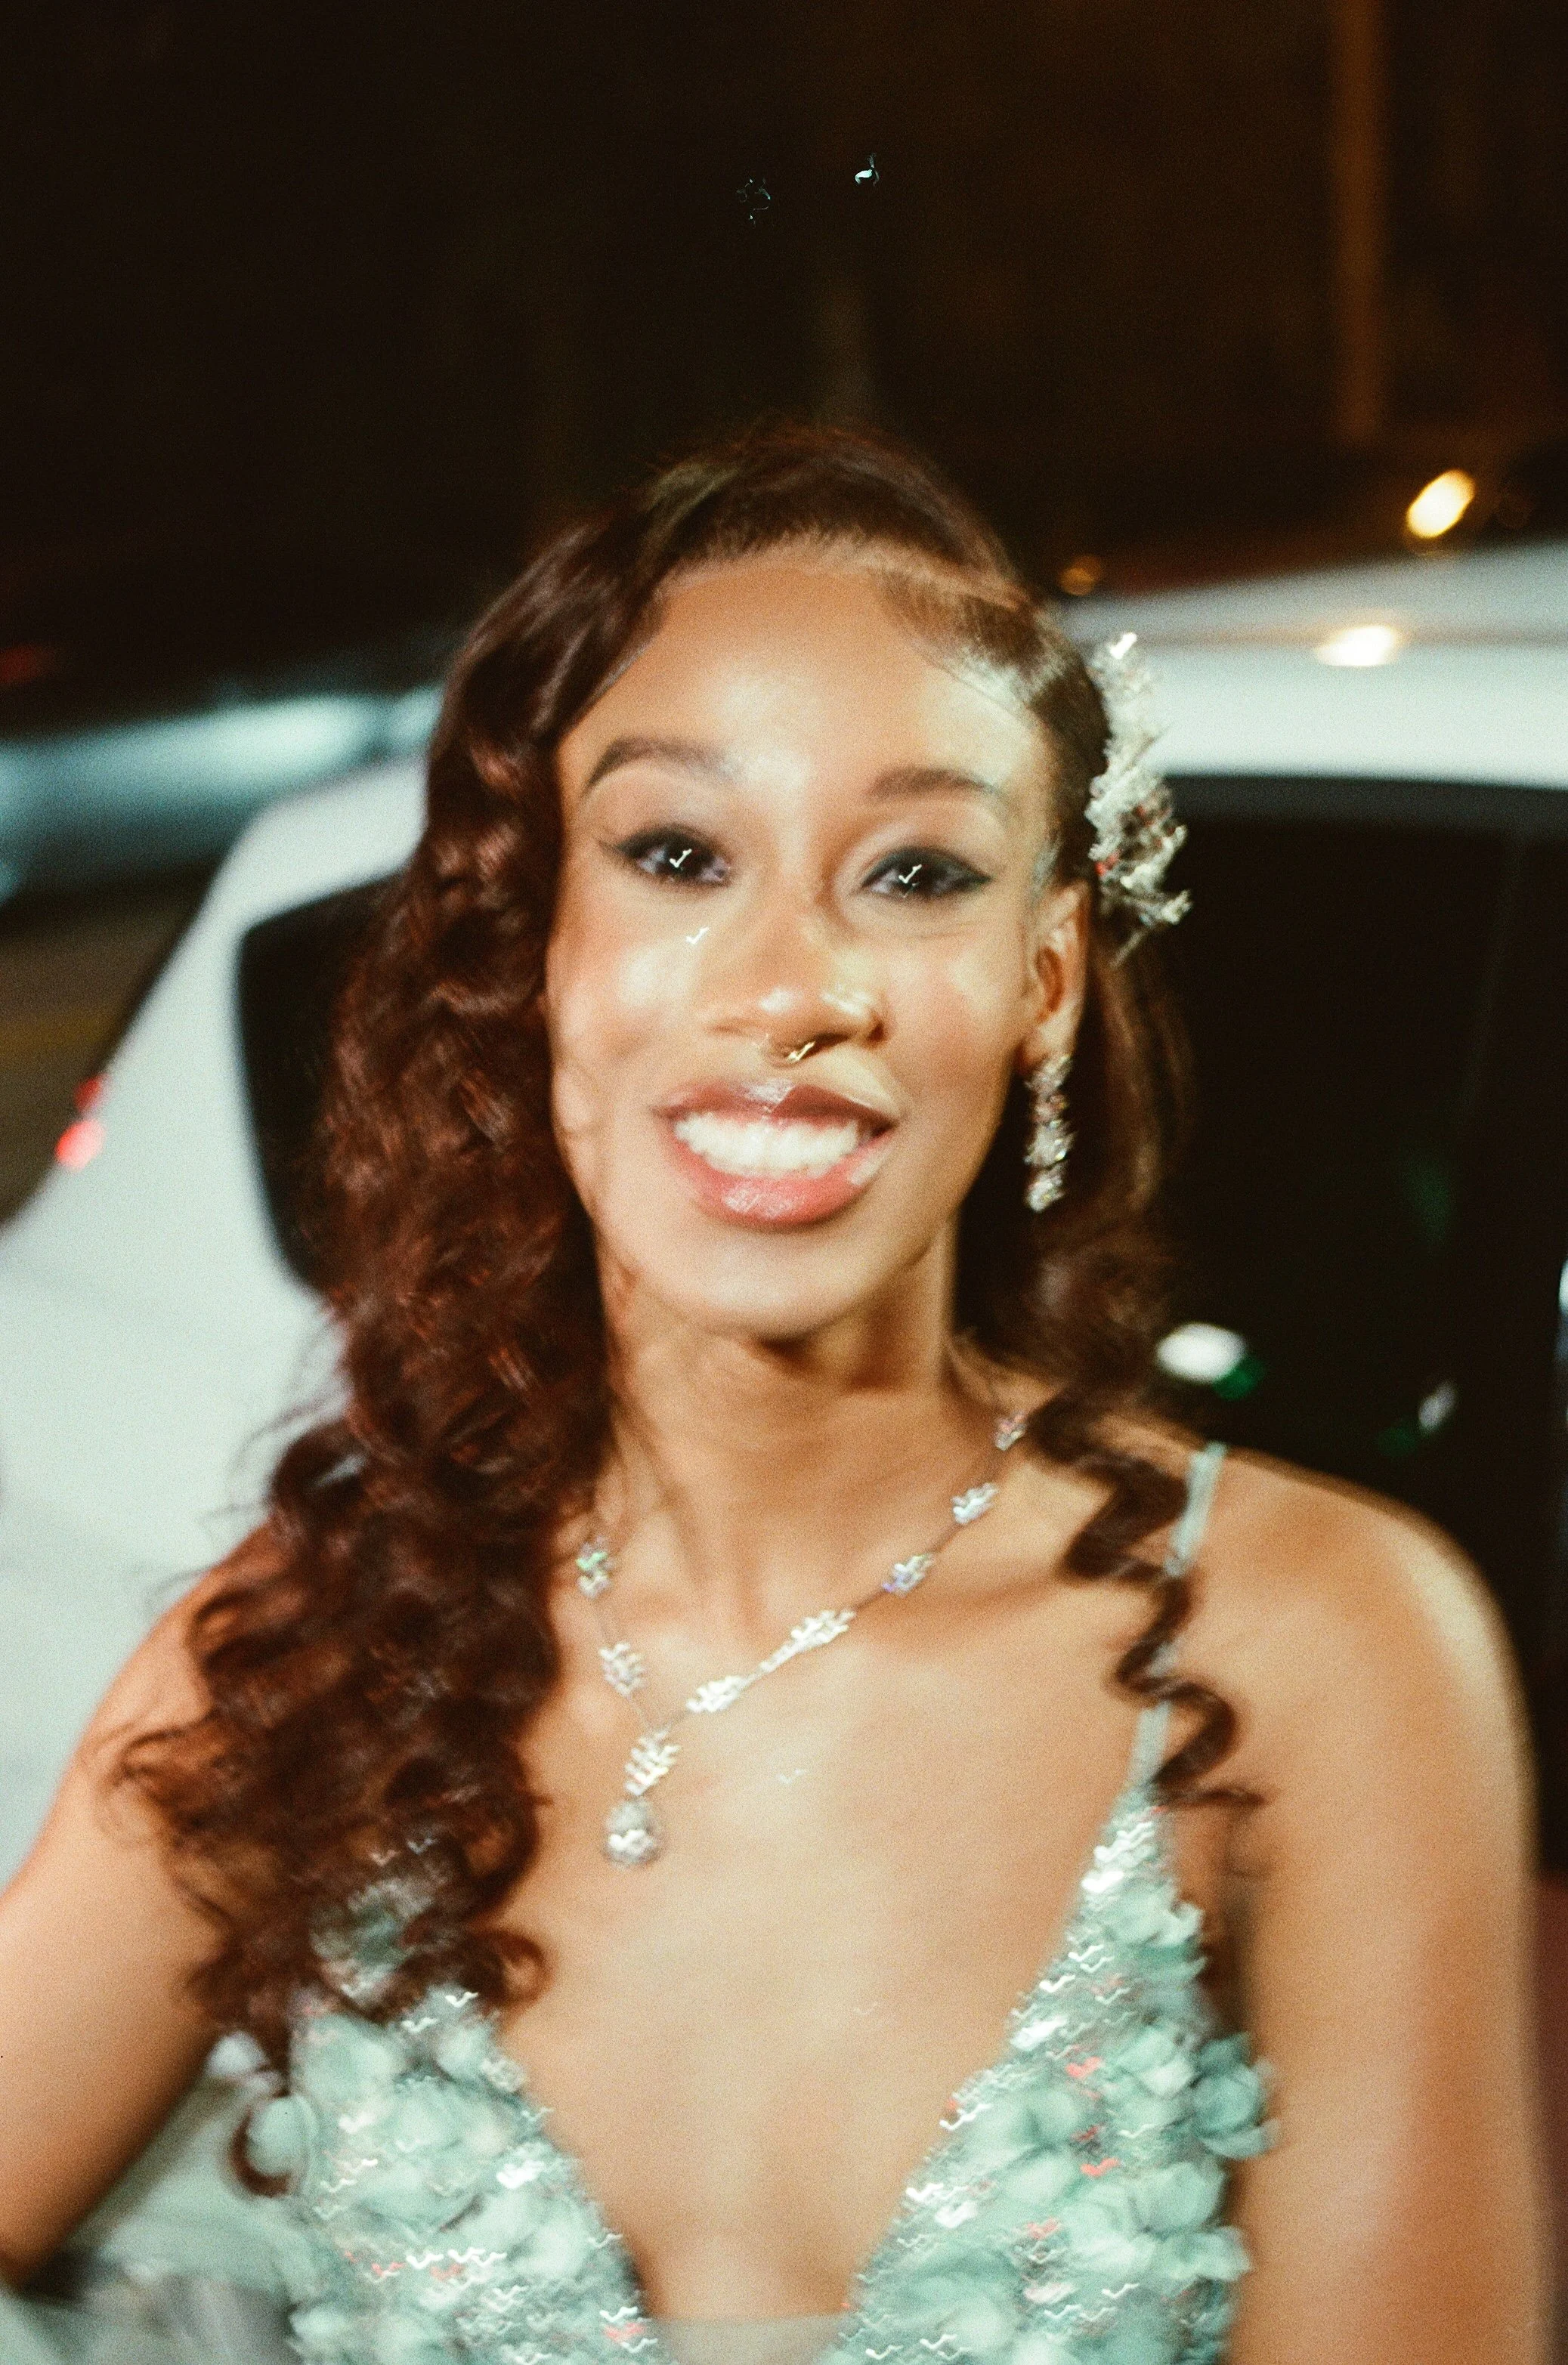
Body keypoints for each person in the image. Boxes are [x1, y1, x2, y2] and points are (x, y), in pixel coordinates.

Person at [0, 422, 1547, 2365]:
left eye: (912, 872)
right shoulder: (316, 1656)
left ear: (1043, 975)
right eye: (673, 856)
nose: (786, 984)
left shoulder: (1318, 1655)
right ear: (544, 950)